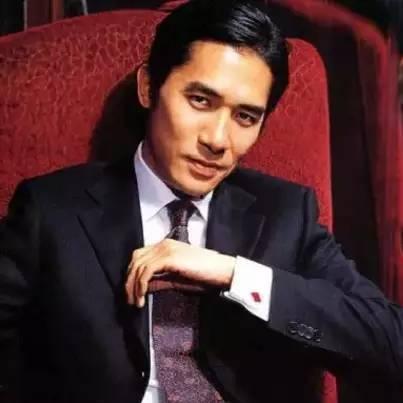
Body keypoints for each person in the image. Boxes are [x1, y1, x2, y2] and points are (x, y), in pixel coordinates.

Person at [1, 0, 403, 402]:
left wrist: (233, 274)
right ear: (148, 87)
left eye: (245, 117)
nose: (217, 140)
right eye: (200, 100)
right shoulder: (51, 210)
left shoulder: (286, 214)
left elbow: (390, 343)